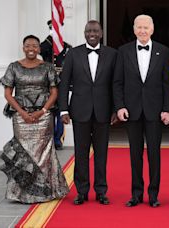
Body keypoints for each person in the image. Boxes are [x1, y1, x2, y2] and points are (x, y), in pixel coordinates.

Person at [0, 35, 69, 203]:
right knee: (23, 152)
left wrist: (43, 110)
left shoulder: (47, 67)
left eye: (35, 46)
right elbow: (8, 94)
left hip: (43, 116)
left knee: (44, 154)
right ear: (23, 47)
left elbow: (54, 92)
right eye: (28, 45)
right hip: (20, 116)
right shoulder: (13, 67)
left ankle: (46, 190)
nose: (31, 48)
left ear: (39, 49)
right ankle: (20, 193)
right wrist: (21, 112)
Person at [113, 14, 169, 208]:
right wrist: (120, 106)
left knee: (154, 154)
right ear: (134, 29)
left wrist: (167, 109)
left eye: (146, 27)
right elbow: (118, 82)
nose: (142, 31)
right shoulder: (123, 51)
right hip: (132, 111)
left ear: (152, 30)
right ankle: (136, 194)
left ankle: (154, 195)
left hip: (155, 111)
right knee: (134, 154)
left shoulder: (163, 51)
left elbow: (167, 83)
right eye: (139, 27)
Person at [58, 20, 117, 205]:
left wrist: (116, 108)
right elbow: (64, 83)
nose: (92, 33)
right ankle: (81, 191)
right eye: (89, 30)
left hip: (103, 111)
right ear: (84, 33)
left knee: (101, 153)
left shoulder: (112, 54)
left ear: (101, 33)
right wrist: (63, 109)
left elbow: (116, 84)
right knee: (81, 153)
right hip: (79, 110)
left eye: (95, 30)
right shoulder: (73, 54)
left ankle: (101, 191)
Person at [40, 19, 72, 150]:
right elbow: (40, 51)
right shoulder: (46, 45)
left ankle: (58, 139)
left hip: (61, 83)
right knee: (48, 112)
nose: (53, 31)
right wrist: (51, 38)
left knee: (60, 111)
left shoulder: (67, 47)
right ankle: (49, 139)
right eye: (51, 28)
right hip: (48, 84)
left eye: (56, 28)